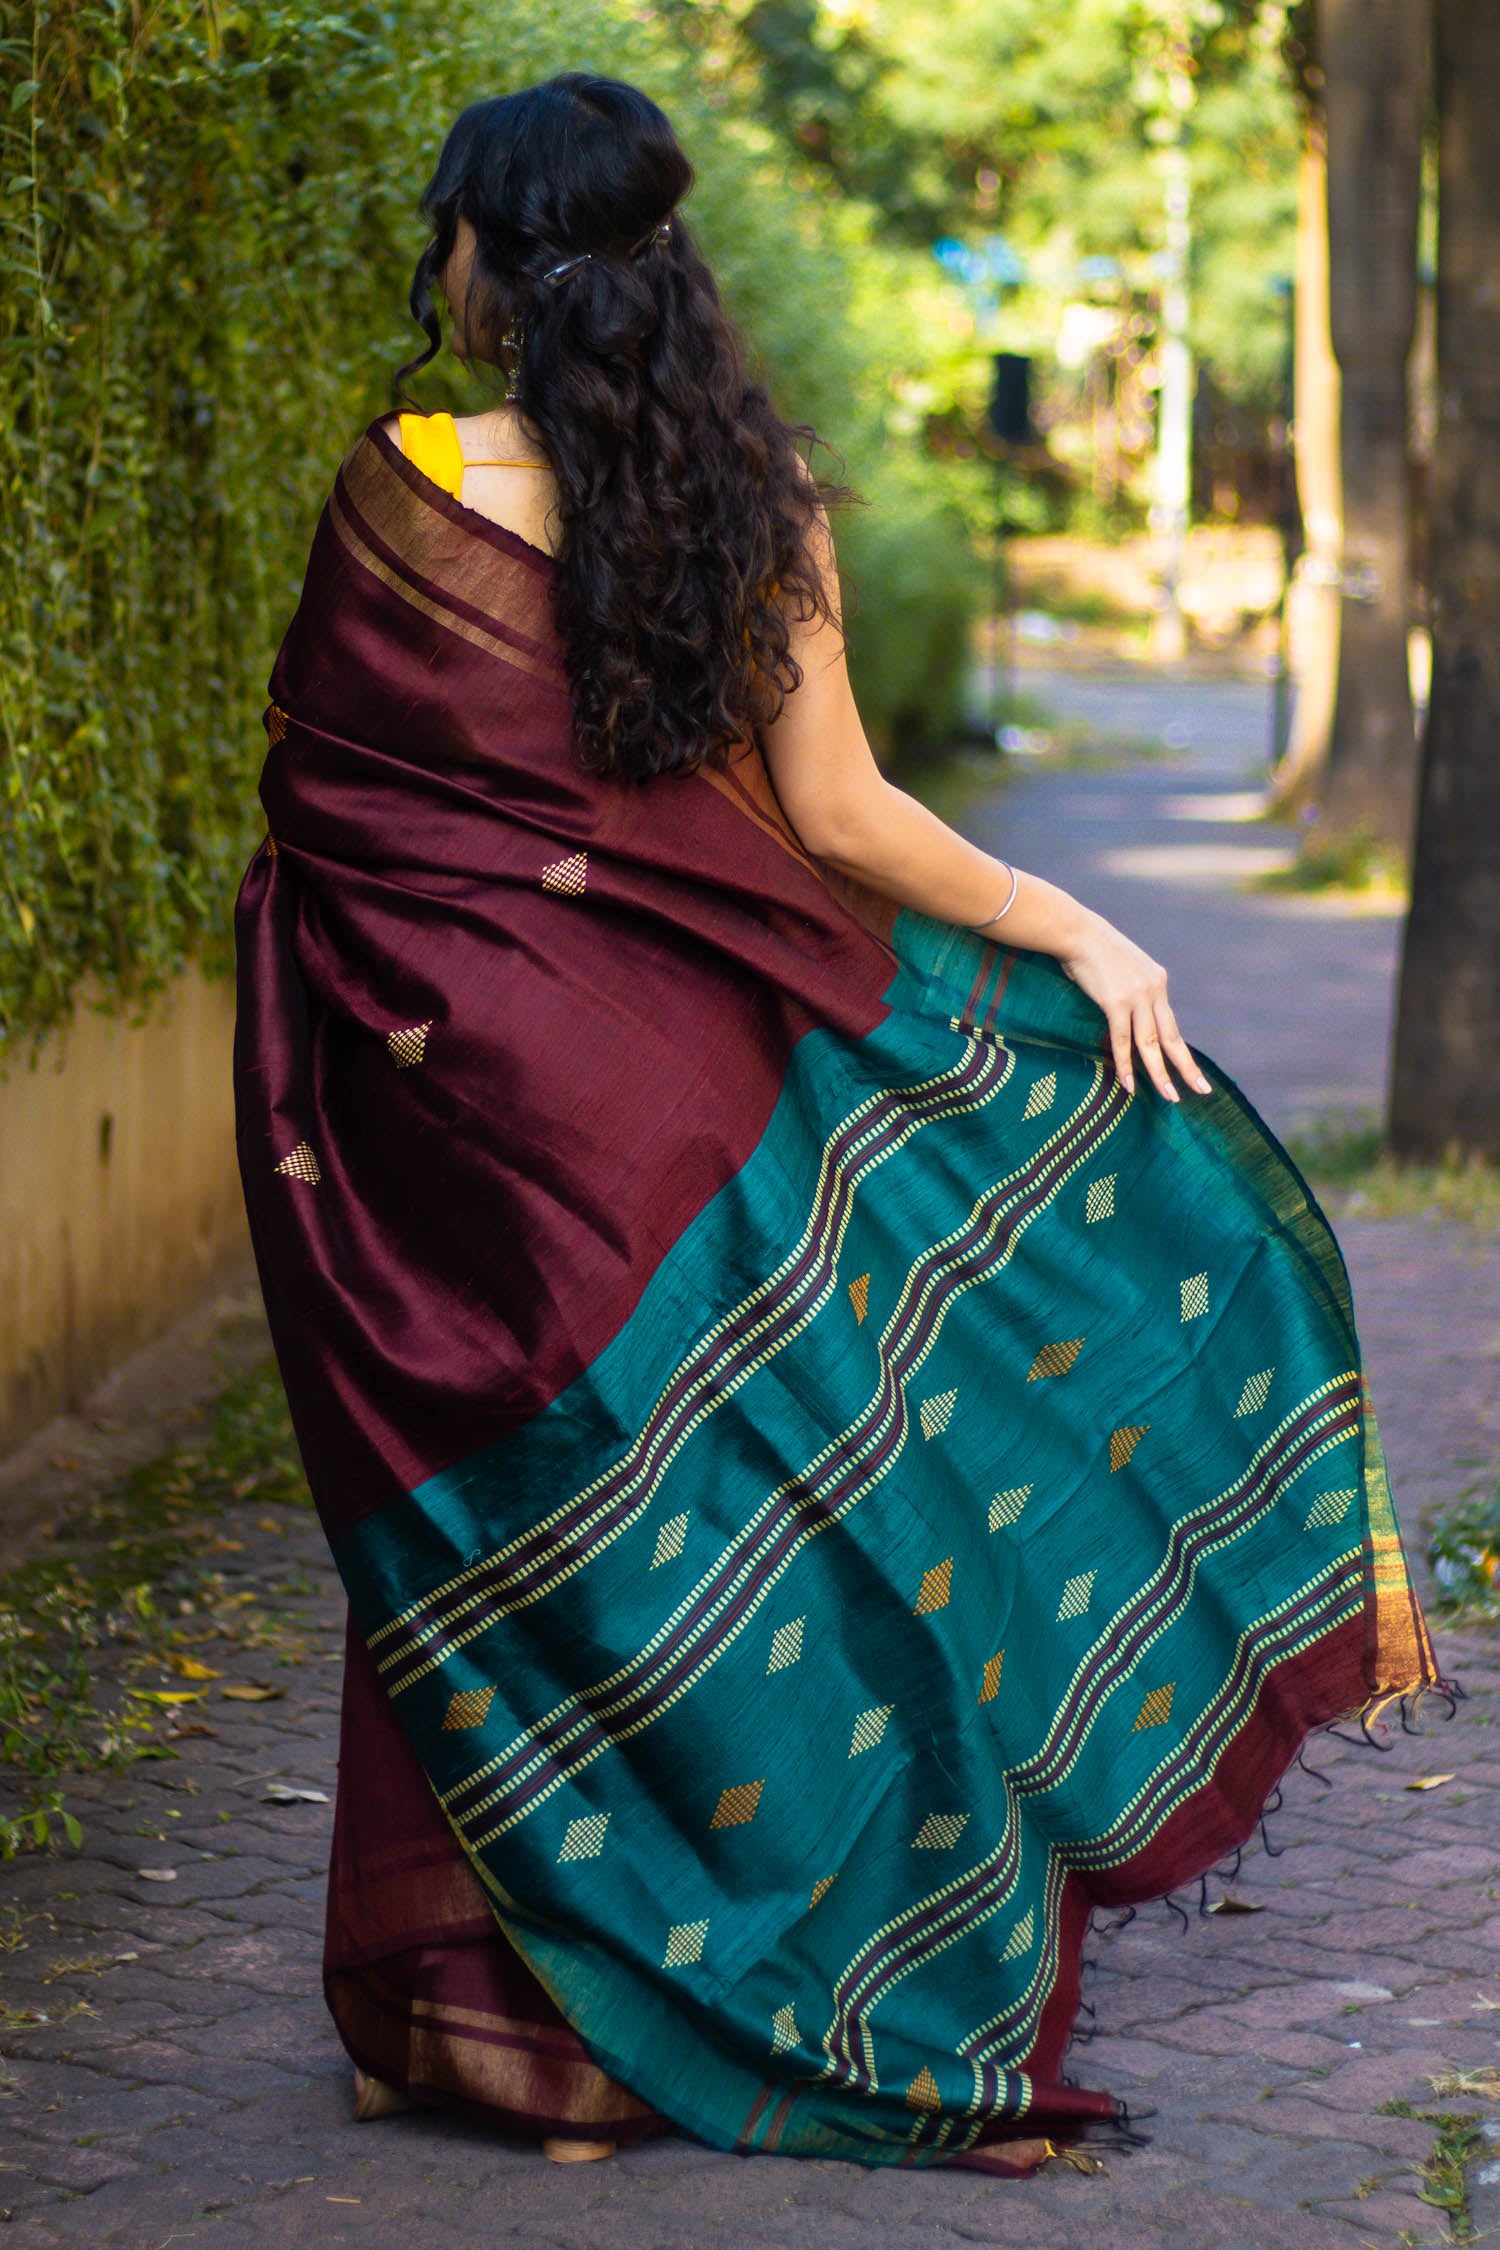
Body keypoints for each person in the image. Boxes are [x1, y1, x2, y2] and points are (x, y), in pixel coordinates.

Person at [233, 70, 1441, 2177]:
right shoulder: (743, 482)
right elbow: (840, 817)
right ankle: (774, 1971)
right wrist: (1076, 931)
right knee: (749, 1534)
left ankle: (528, 2045)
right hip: (691, 1103)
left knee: (502, 1543)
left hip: (465, 1128)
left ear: (488, 263)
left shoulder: (403, 491)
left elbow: (330, 810)